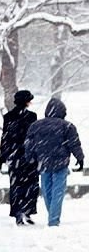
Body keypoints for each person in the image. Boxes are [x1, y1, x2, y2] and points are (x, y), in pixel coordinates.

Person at [22, 96, 85, 227]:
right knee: (58, 191)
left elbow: (29, 144)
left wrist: (30, 158)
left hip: (43, 162)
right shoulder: (67, 126)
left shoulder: (36, 126)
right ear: (62, 111)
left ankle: (52, 216)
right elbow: (74, 144)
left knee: (46, 190)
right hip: (60, 163)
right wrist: (80, 158)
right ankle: (53, 219)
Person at [0, 90, 40, 225]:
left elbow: (5, 138)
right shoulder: (32, 117)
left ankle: (18, 213)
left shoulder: (8, 117)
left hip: (14, 156)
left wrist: (2, 157)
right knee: (31, 185)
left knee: (16, 185)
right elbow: (35, 138)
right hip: (29, 156)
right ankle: (28, 212)